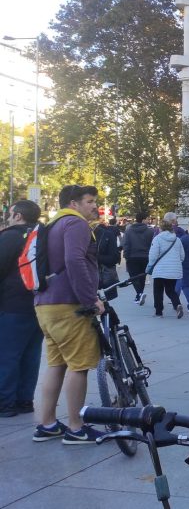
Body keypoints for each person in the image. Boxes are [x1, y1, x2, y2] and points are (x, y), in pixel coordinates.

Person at [33, 185, 106, 444]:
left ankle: (48, 423)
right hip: (69, 305)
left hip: (45, 304)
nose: (93, 206)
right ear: (73, 204)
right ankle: (76, 428)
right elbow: (75, 260)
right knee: (79, 366)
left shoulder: (51, 225)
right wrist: (91, 299)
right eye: (89, 201)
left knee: (56, 364)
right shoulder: (75, 225)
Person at [0, 200, 43, 417]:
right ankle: (25, 401)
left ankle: (5, 403)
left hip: (12, 304)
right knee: (31, 355)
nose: (8, 217)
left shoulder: (11, 236)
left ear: (18, 216)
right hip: (38, 304)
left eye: (10, 213)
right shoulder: (41, 236)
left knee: (7, 355)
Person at [146, 217, 186, 318]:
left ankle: (159, 312)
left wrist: (150, 266)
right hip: (174, 270)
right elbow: (182, 256)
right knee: (170, 290)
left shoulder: (157, 239)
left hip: (160, 270)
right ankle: (177, 304)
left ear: (161, 228)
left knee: (158, 291)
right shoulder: (177, 240)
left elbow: (153, 255)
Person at [122, 211, 153, 305]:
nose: (149, 220)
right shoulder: (150, 231)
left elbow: (126, 244)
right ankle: (139, 294)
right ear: (143, 219)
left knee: (133, 277)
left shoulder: (129, 230)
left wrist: (126, 256)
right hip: (145, 256)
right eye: (147, 219)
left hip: (132, 256)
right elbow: (152, 245)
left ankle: (139, 293)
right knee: (142, 276)